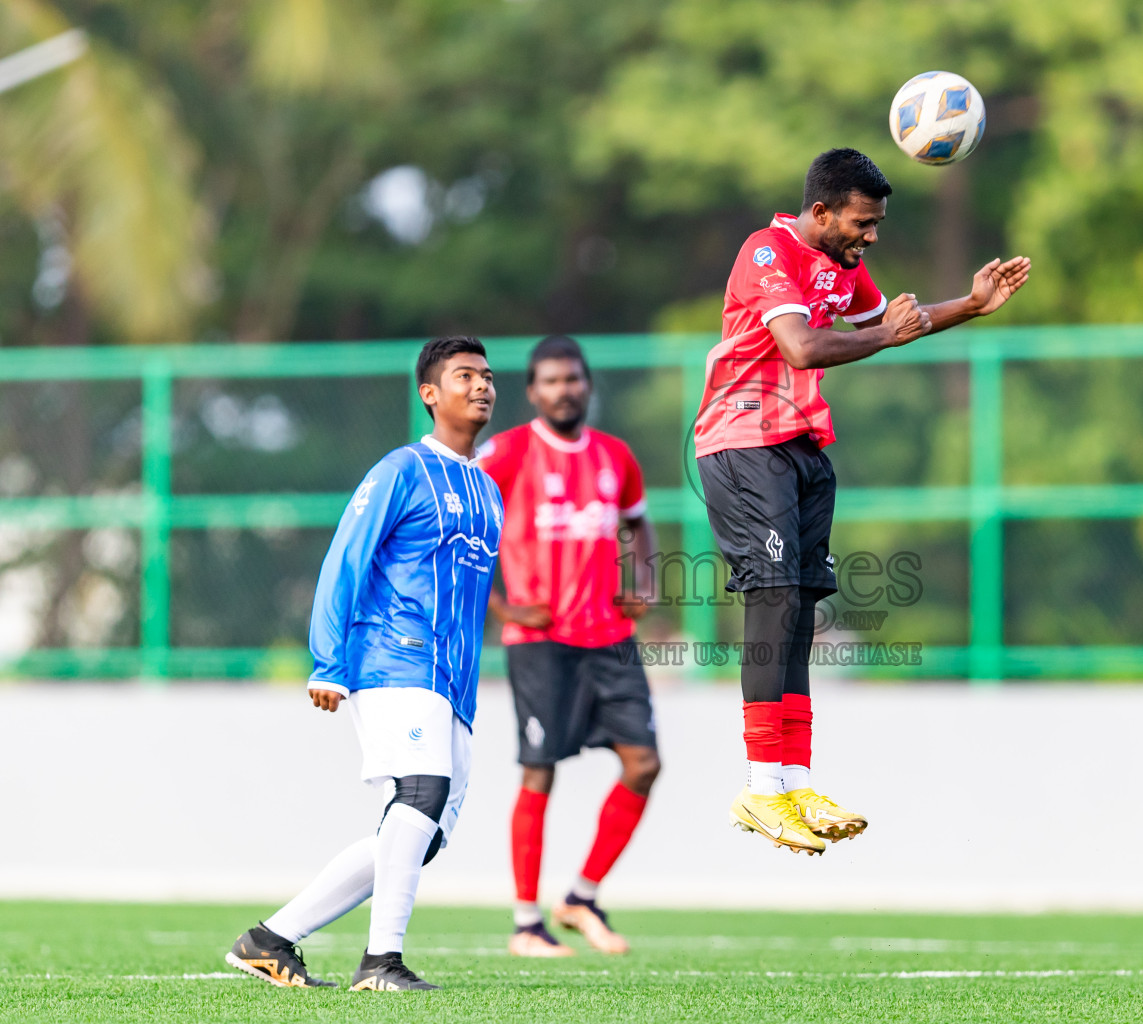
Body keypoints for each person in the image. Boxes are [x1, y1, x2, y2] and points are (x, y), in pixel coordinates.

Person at [694, 148, 1030, 855]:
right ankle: (761, 789)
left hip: (802, 445)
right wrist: (883, 335)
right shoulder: (768, 251)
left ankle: (792, 781)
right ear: (821, 212)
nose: (870, 236)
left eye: (876, 224)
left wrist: (971, 304)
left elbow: (896, 319)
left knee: (801, 613)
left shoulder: (839, 267)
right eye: (862, 223)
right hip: (743, 440)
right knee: (774, 600)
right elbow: (803, 348)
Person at [225, 336, 503, 991]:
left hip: (455, 684)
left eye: (488, 377)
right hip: (393, 663)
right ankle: (381, 964)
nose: (483, 386)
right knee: (420, 793)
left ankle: (268, 941)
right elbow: (345, 558)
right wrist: (329, 661)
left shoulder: (488, 489)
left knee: (421, 834)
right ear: (429, 393)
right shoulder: (401, 469)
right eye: (465, 375)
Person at [478, 335, 660, 958]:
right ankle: (527, 922)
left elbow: (638, 521)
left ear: (587, 385)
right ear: (532, 392)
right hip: (540, 641)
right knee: (540, 772)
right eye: (551, 381)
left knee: (644, 763)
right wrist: (498, 605)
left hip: (609, 639)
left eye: (573, 379)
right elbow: (457, 525)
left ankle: (581, 898)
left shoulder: (615, 455)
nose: (564, 390)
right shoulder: (506, 453)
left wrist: (647, 581)